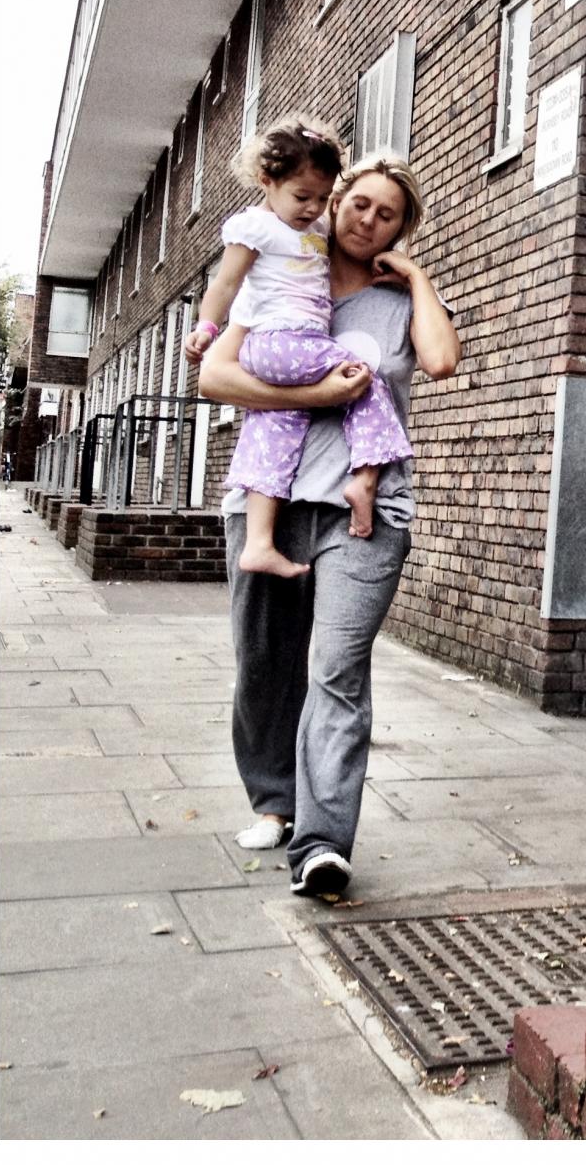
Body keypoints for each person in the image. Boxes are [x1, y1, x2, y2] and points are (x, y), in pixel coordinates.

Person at [197, 154, 459, 898]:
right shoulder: (283, 268)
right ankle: (274, 800)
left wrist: (415, 279)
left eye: (388, 214)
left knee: (337, 670)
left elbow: (441, 361)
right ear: (334, 202)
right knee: (263, 666)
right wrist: (318, 392)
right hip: (267, 503)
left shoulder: (397, 300)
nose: (367, 219)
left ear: (400, 230)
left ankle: (322, 843)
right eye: (360, 204)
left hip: (364, 515)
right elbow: (215, 376)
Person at [187, 116, 414, 579]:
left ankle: (259, 542)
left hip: (286, 348)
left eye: (321, 198)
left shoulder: (313, 227)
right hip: (282, 340)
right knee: (361, 379)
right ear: (266, 182)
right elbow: (224, 285)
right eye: (301, 197)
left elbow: (354, 225)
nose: (312, 209)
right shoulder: (258, 226)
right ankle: (366, 481)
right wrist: (207, 329)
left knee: (273, 428)